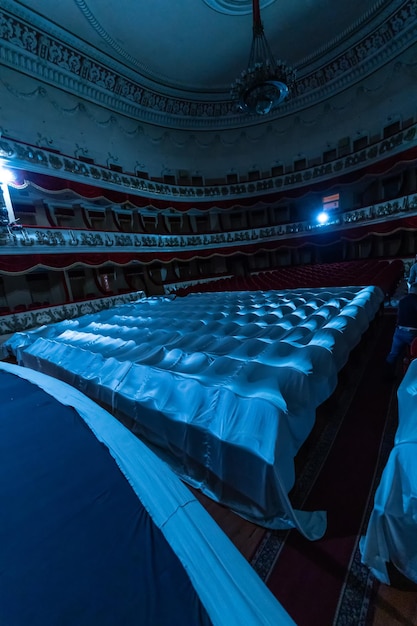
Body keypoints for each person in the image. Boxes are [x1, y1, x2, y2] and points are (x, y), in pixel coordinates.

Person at [384, 282, 417, 379]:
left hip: (399, 332)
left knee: (393, 354)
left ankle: (386, 376)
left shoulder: (402, 301)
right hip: (412, 334)